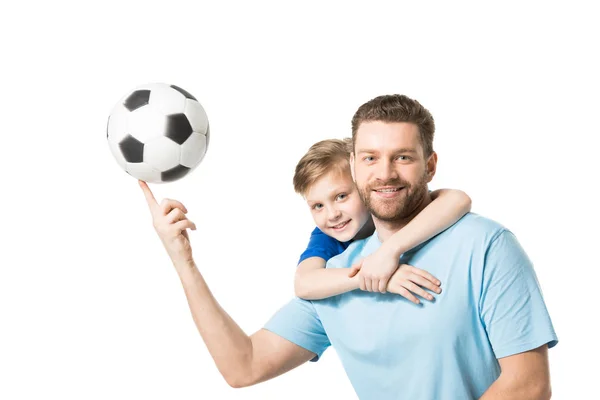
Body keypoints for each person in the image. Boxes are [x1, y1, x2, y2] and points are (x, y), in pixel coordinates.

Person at [139, 94, 558, 399]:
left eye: (404, 157)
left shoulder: (485, 246)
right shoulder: (337, 279)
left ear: (431, 165)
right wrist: (183, 260)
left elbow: (529, 386)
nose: (386, 173)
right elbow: (243, 365)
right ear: (354, 164)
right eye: (371, 158)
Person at [292, 137, 472, 302]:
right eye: (318, 206)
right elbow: (303, 283)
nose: (332, 215)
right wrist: (373, 275)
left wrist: (389, 251)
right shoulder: (328, 236)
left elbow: (458, 199)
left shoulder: (394, 207)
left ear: (363, 184)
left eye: (341, 196)